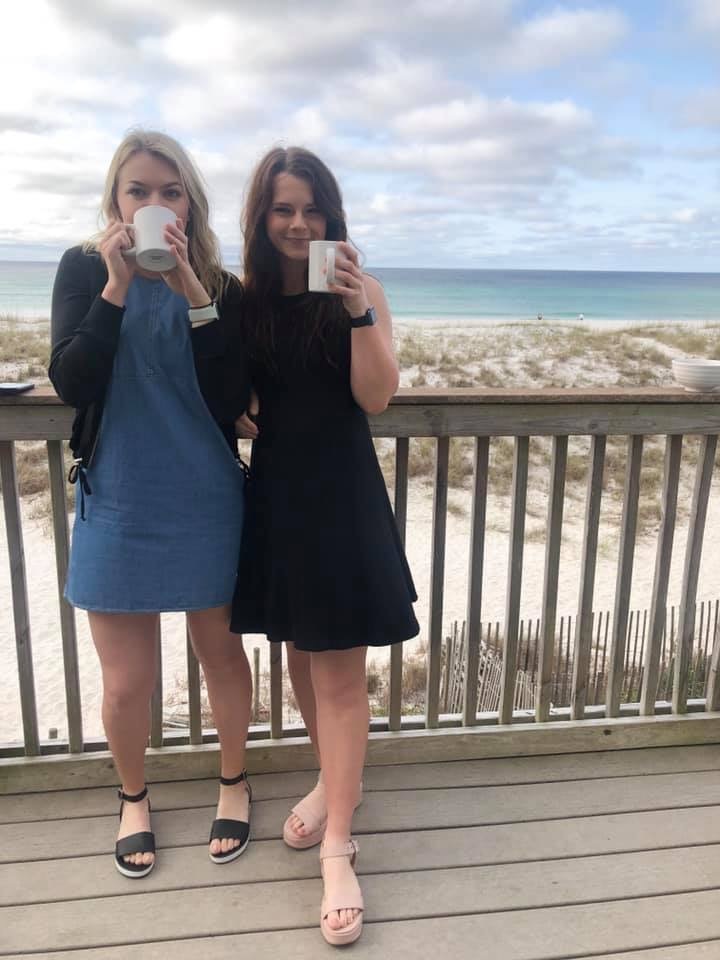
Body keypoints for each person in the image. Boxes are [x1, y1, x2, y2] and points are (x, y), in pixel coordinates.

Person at [49, 130, 253, 878]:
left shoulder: (221, 285)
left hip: (206, 495)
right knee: (126, 681)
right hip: (119, 496)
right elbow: (72, 380)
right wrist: (116, 287)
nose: (155, 203)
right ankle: (133, 797)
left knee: (221, 656)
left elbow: (231, 396)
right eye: (139, 190)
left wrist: (193, 292)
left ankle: (234, 781)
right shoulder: (82, 268)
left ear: (190, 205)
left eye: (171, 192)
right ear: (116, 198)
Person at [231, 146, 419, 945]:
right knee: (301, 659)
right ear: (262, 217)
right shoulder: (247, 299)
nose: (299, 223)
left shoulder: (360, 290)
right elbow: (235, 392)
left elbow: (377, 396)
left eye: (312, 208)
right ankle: (337, 782)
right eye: (283, 208)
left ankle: (340, 844)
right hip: (277, 497)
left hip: (340, 496)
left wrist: (356, 311)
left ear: (331, 216)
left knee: (339, 675)